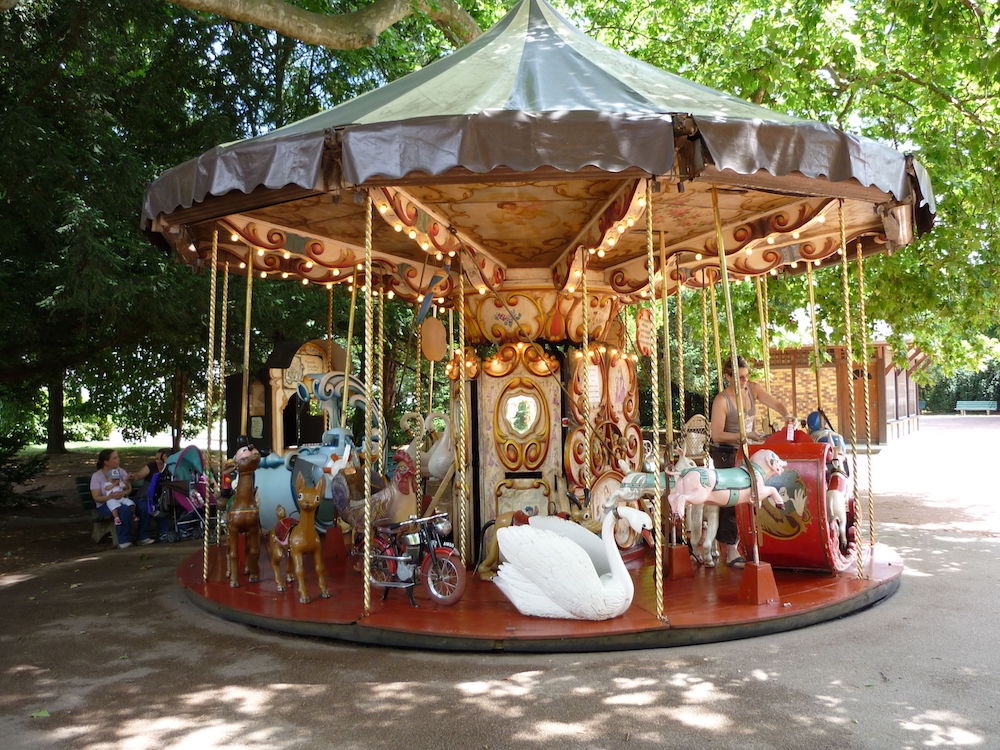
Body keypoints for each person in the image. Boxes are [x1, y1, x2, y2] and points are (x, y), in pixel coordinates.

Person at [709, 356, 793, 568]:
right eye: (738, 378)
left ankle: (755, 539)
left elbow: (775, 402)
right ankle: (729, 549)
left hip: (747, 447)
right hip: (726, 451)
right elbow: (717, 434)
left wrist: (787, 415)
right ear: (728, 377)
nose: (744, 382)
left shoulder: (753, 390)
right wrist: (744, 436)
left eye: (746, 377)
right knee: (732, 496)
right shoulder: (722, 400)